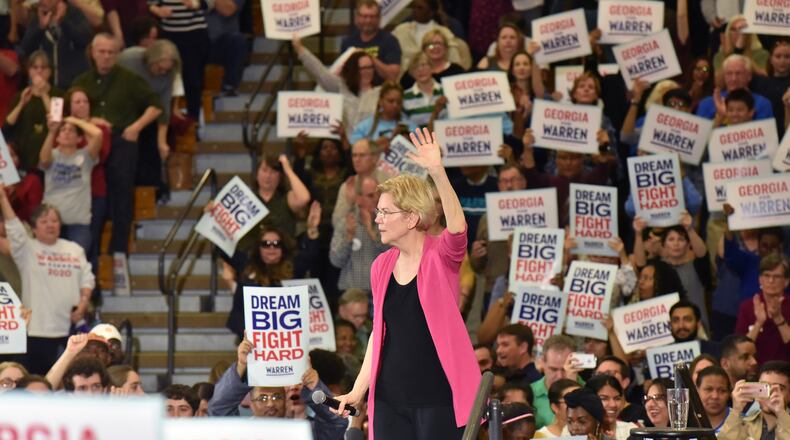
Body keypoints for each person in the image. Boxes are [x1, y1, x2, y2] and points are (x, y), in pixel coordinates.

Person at [333, 128, 481, 438]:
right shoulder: (381, 265)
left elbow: (457, 227)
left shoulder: (440, 255)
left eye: (386, 212)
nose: (378, 219)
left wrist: (437, 171)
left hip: (438, 399)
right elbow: (379, 333)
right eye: (378, 212)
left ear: (412, 218)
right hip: (388, 400)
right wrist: (358, 391)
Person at [71, 33, 163, 256]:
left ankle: (119, 250)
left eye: (111, 52)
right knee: (93, 197)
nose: (106, 57)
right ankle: (90, 251)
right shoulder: (81, 81)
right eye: (101, 52)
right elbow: (70, 110)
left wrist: (136, 127)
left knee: (122, 194)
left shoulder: (129, 79)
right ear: (93, 53)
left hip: (122, 141)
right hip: (92, 143)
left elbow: (156, 105)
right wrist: (90, 121)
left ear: (117, 54)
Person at [0, 187, 94, 375]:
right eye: (44, 221)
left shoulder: (74, 249)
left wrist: (83, 304)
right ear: (33, 228)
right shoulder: (27, 250)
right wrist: (3, 198)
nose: (50, 225)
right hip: (35, 332)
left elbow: (87, 279)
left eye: (54, 221)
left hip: (69, 333)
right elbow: (15, 228)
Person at [39, 115, 102, 253]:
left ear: (79, 139)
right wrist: (51, 131)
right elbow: (44, 160)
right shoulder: (52, 154)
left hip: (78, 224)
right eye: (63, 130)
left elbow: (98, 134)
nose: (66, 132)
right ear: (57, 137)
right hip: (50, 222)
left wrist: (74, 119)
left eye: (72, 130)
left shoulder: (86, 156)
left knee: (76, 265)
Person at [293, 36, 381, 129]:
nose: (367, 71)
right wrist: (299, 48)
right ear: (354, 70)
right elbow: (320, 72)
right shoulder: (342, 87)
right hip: (344, 141)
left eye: (370, 67)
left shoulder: (381, 93)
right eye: (362, 68)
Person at [148, 0, 208, 119]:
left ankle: (193, 122)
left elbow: (210, 3)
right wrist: (158, 10)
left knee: (193, 81)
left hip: (195, 34)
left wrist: (196, 4)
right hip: (169, 33)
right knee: (165, 77)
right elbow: (150, 4)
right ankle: (166, 120)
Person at [330, 175, 389, 293]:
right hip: (351, 293)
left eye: (379, 194)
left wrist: (372, 232)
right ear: (359, 199)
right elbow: (335, 261)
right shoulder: (346, 222)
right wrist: (348, 238)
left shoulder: (388, 222)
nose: (377, 199)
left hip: (381, 293)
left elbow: (395, 255)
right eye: (371, 195)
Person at [5, 51, 62, 172]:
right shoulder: (21, 95)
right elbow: (7, 126)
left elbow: (56, 122)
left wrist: (44, 94)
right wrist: (21, 104)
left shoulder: (57, 95)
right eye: (35, 67)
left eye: (43, 67)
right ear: (29, 71)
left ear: (50, 72)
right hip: (23, 155)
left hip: (48, 156)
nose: (39, 71)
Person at [19, 0, 92, 89]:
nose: (42, 1)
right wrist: (41, 28)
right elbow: (25, 49)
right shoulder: (38, 17)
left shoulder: (75, 14)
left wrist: (63, 22)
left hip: (73, 86)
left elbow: (84, 40)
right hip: (46, 86)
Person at [734, 253, 790, 363]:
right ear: (760, 279)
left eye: (776, 276)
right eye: (767, 275)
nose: (771, 281)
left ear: (786, 281)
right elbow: (739, 351)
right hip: (756, 372)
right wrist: (758, 323)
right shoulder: (747, 307)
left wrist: (779, 319)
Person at [719, 361, 790, 440]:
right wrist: (736, 411)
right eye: (765, 387)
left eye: (779, 388)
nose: (770, 393)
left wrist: (781, 413)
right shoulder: (743, 423)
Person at [696, 54, 773, 121]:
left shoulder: (762, 104)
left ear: (749, 76)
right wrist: (720, 117)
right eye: (729, 74)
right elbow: (701, 136)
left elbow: (762, 135)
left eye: (739, 73)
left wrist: (728, 115)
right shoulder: (706, 103)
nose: (734, 79)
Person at [340, 0, 401, 83]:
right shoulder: (348, 42)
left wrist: (367, 56)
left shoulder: (390, 41)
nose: (368, 20)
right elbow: (343, 74)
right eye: (364, 16)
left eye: (372, 17)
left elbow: (393, 76)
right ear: (357, 17)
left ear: (379, 18)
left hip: (380, 92)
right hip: (353, 91)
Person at [531, 335, 579, 429]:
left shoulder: (589, 391)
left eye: (564, 369)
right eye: (553, 369)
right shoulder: (529, 393)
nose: (560, 376)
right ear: (542, 363)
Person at [585, 375, 638, 440]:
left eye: (617, 398)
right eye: (604, 398)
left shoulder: (630, 430)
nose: (613, 405)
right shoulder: (574, 431)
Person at [695, 365, 732, 433]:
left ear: (729, 393)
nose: (715, 396)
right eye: (708, 389)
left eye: (722, 390)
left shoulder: (740, 422)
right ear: (697, 390)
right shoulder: (684, 423)